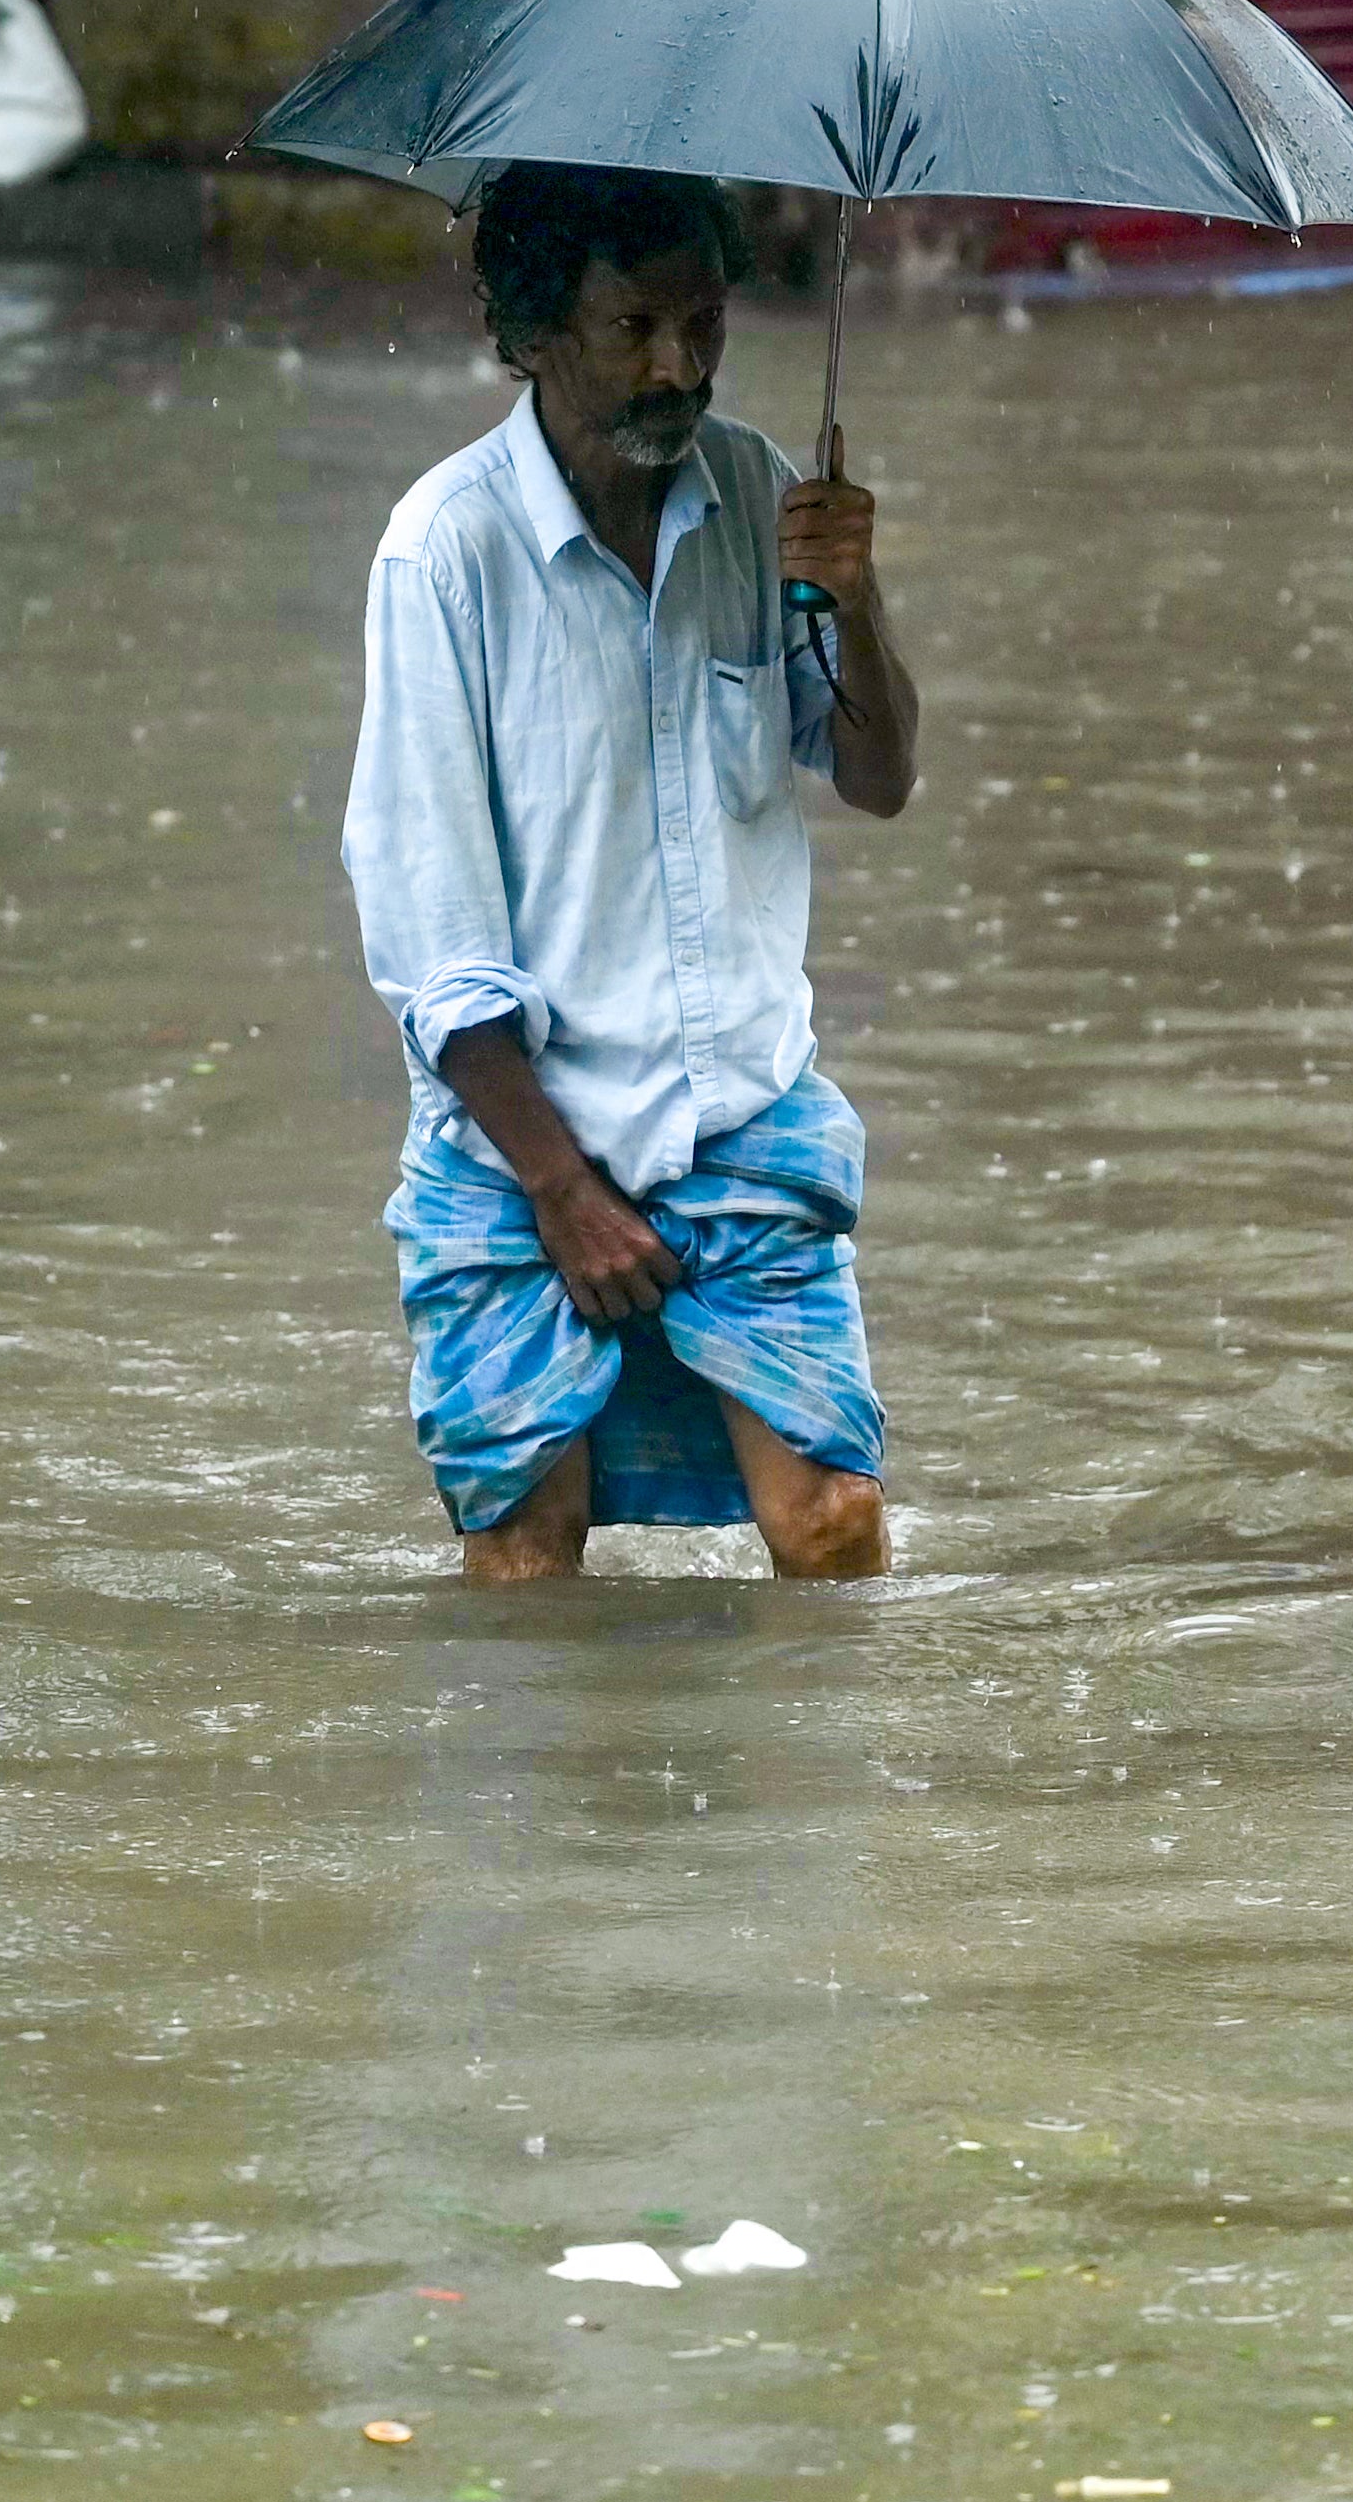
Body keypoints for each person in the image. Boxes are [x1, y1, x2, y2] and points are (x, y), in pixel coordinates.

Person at [341, 165, 921, 1583]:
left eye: (706, 323)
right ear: (537, 332)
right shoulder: (445, 552)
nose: (680, 367)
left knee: (833, 1525)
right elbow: (434, 931)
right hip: (517, 1142)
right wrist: (560, 1190)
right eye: (634, 328)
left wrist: (854, 595)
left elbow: (877, 777)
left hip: (738, 1105)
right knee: (530, 1553)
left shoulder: (764, 493)